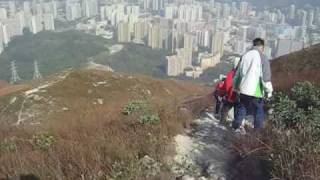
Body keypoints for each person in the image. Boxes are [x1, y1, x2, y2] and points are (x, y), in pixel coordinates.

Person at [232, 38, 273, 131]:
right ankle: (256, 134)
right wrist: (269, 91)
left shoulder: (245, 56)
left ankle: (236, 127)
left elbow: (237, 73)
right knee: (258, 111)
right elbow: (266, 77)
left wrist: (235, 87)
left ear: (253, 45)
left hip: (243, 89)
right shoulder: (263, 58)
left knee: (242, 108)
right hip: (256, 92)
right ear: (262, 47)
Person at [220, 57, 241, 124]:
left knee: (225, 109)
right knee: (237, 111)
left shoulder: (232, 73)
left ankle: (222, 122)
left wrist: (226, 93)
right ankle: (236, 125)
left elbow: (227, 85)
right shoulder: (243, 73)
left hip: (231, 95)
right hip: (239, 95)